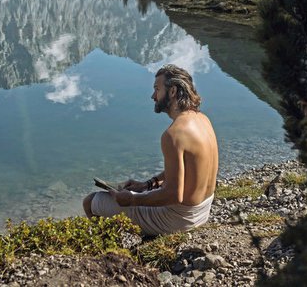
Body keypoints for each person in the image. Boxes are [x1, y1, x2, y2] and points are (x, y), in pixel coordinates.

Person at [82, 64, 219, 235]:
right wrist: (148, 184)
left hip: (178, 220)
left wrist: (132, 199)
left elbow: (173, 195)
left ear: (172, 91)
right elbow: (188, 169)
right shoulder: (203, 119)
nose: (153, 96)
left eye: (157, 89)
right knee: (136, 194)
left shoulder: (174, 134)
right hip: (202, 211)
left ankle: (109, 243)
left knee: (91, 202)